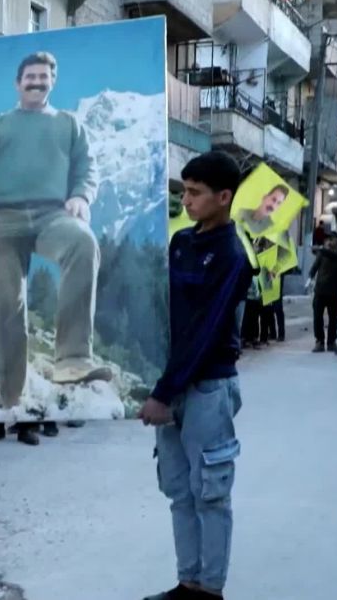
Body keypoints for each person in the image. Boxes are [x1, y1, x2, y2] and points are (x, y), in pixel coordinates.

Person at [0, 51, 104, 448]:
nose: (37, 82)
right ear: (17, 82)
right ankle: (10, 406)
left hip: (50, 215)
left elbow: (87, 169)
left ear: (52, 81)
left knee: (83, 241)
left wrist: (81, 197)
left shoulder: (69, 125)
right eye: (30, 76)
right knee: (9, 307)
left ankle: (73, 359)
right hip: (1, 220)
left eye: (43, 77)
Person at [139, 152, 251, 600]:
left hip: (207, 388)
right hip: (172, 384)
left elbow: (204, 333)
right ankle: (187, 583)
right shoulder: (181, 243)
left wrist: (164, 393)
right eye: (183, 190)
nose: (185, 200)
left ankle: (210, 591)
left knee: (211, 493)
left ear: (223, 197)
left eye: (195, 192)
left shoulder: (233, 256)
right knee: (179, 492)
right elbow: (162, 314)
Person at [308, 232, 337, 352]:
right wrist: (309, 279)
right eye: (328, 239)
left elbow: (335, 258)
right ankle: (319, 341)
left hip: (334, 292)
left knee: (333, 319)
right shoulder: (322, 254)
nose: (330, 242)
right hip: (320, 291)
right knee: (318, 317)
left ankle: (331, 341)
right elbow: (314, 268)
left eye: (333, 239)